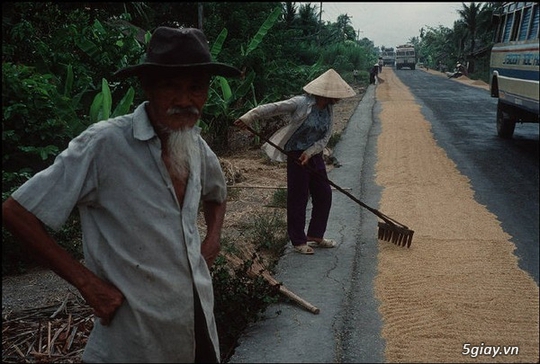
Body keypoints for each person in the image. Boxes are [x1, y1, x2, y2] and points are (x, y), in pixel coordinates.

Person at [2, 26, 241, 363]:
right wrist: (87, 285)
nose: (185, 100)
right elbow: (16, 211)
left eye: (196, 88)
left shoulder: (193, 142)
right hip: (134, 333)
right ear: (147, 87)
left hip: (195, 316)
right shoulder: (104, 144)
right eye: (171, 86)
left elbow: (217, 194)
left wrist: (212, 240)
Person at [233, 69, 356, 255]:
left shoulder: (329, 110)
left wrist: (311, 152)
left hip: (313, 154)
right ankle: (298, 240)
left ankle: (315, 235)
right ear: (325, 94)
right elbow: (274, 108)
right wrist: (250, 116)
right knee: (298, 197)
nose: (339, 99)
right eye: (336, 95)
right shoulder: (301, 103)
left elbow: (325, 137)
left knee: (324, 194)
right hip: (295, 155)